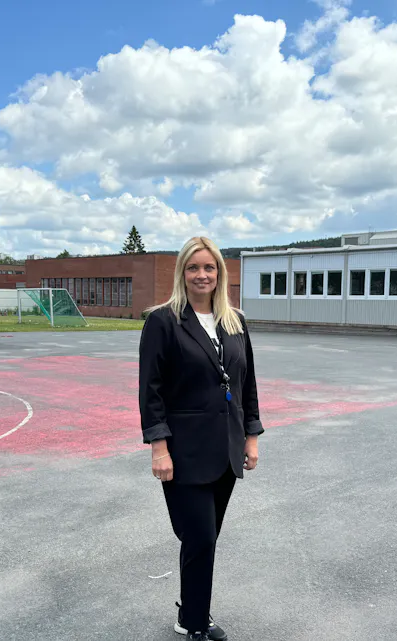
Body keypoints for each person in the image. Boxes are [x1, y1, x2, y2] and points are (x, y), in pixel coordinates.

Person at [139, 236, 263, 641]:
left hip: (226, 449)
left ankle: (191, 610)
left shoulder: (235, 321)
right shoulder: (163, 321)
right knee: (200, 537)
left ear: (220, 273)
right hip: (184, 452)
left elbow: (247, 384)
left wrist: (251, 437)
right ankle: (195, 623)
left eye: (209, 267)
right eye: (194, 267)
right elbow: (151, 390)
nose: (202, 275)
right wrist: (159, 446)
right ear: (182, 273)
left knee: (204, 542)